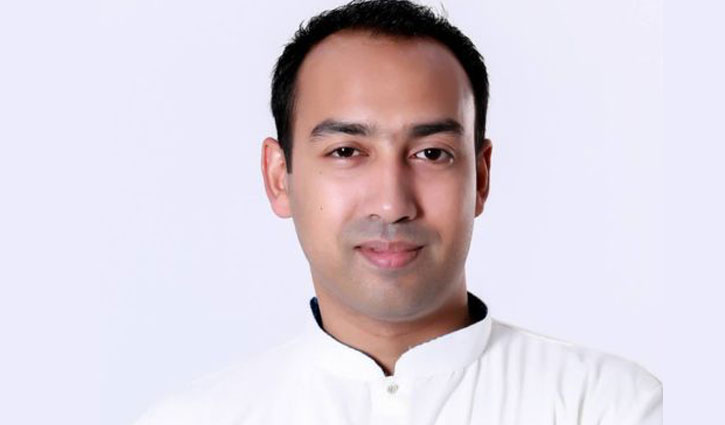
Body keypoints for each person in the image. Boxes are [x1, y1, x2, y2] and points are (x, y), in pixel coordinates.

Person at [132, 1, 662, 424]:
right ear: (279, 177)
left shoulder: (613, 407)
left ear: (480, 177)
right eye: (346, 151)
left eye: (431, 154)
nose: (391, 203)